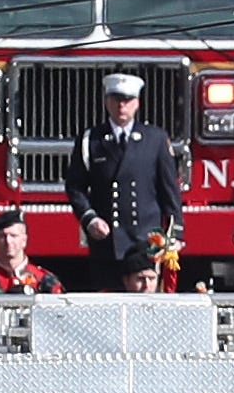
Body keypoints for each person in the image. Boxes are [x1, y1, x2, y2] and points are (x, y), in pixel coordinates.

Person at [63, 73, 184, 288]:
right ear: (106, 102)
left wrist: (175, 232)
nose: (121, 106)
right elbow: (75, 185)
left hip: (147, 241)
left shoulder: (155, 139)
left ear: (136, 103)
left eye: (127, 101)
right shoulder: (91, 139)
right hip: (107, 242)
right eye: (116, 99)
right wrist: (89, 219)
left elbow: (169, 190)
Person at [0, 209, 64, 293]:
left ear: (24, 240)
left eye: (13, 236)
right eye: (2, 236)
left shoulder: (44, 281)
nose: (8, 241)